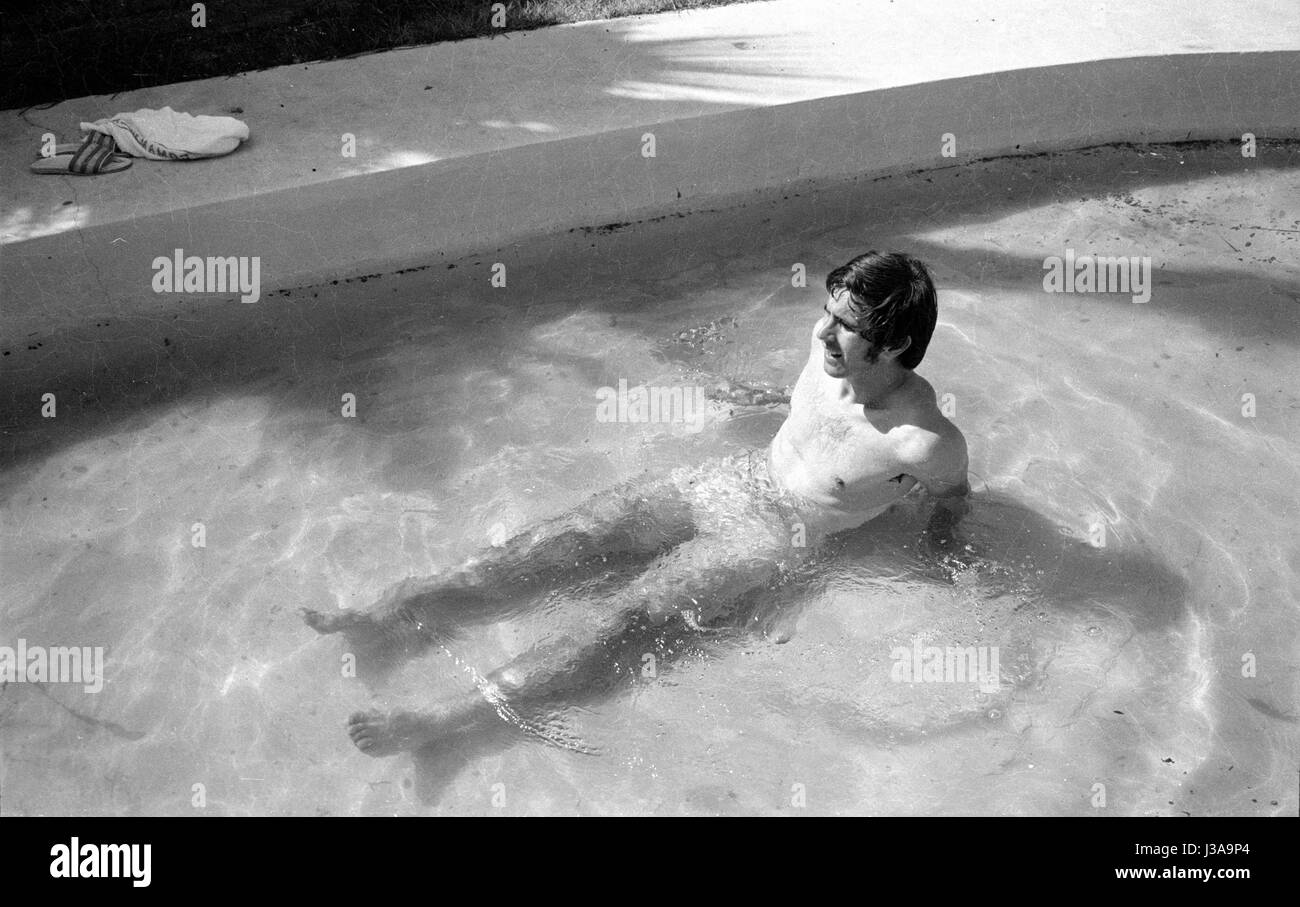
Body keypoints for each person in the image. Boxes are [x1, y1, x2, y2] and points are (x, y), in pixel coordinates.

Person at [304, 250, 969, 755]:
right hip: (733, 478)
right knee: (568, 535)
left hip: (771, 538)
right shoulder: (824, 356)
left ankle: (448, 716)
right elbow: (808, 411)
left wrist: (946, 549)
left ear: (896, 346)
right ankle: (402, 606)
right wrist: (760, 398)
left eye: (843, 325)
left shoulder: (921, 440)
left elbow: (954, 499)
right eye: (826, 310)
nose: (822, 330)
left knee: (621, 616)